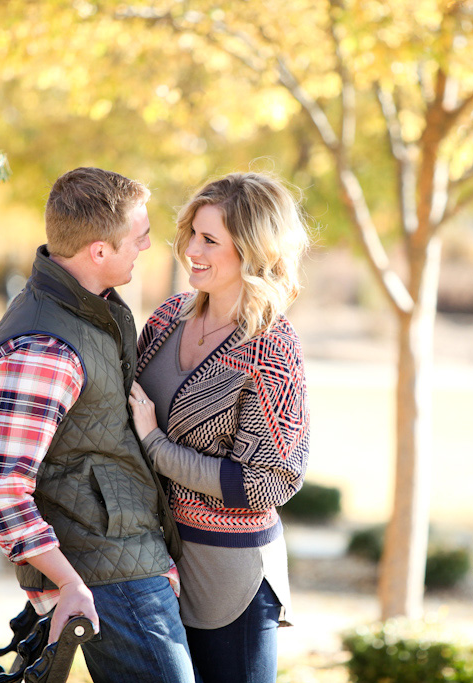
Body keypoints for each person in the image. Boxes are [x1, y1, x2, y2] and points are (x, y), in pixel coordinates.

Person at [0, 167, 194, 683]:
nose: (146, 247)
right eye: (138, 237)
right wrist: (69, 584)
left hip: (125, 559)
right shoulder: (46, 347)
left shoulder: (87, 312)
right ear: (98, 251)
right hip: (106, 575)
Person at [129, 171, 311, 683]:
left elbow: (269, 481)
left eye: (210, 240)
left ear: (253, 251)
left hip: (232, 578)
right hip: (155, 566)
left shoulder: (270, 349)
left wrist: (155, 445)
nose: (191, 249)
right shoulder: (165, 320)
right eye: (192, 233)